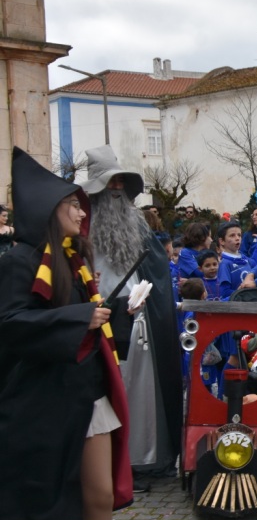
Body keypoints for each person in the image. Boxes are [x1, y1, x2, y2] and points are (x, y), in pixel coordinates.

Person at [0, 148, 132, 520]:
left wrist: (115, 314)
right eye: (72, 205)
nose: (81, 212)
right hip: (44, 400)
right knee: (36, 507)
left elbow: (87, 323)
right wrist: (80, 318)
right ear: (48, 210)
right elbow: (11, 324)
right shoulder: (18, 261)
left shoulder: (75, 260)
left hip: (86, 393)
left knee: (99, 498)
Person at [82, 145, 182, 481]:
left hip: (134, 315)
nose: (115, 189)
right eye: (109, 183)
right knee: (104, 387)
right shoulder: (82, 224)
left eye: (119, 183)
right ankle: (104, 462)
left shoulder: (137, 222)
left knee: (137, 388)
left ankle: (140, 459)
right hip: (95, 314)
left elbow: (156, 269)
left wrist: (147, 298)